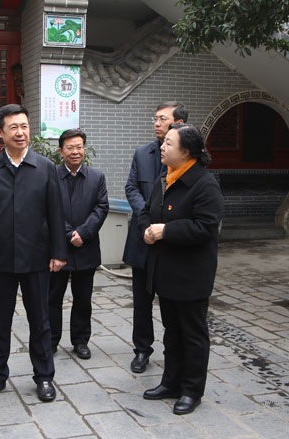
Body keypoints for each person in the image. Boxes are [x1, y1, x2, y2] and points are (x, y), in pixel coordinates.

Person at [0, 104, 67, 403]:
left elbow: (55, 212)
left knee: (40, 320)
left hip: (37, 257)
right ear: (0, 132)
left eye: (24, 126)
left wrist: (58, 252)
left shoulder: (45, 167)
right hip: (1, 258)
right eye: (13, 127)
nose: (21, 132)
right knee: (0, 320)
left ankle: (44, 376)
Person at [139, 123, 223, 415]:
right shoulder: (164, 179)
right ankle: (170, 382)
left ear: (186, 152)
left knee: (192, 335)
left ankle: (191, 390)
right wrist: (147, 229)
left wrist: (166, 231)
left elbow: (205, 227)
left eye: (169, 143)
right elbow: (147, 212)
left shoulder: (204, 184)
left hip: (191, 275)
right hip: (165, 272)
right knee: (171, 332)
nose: (162, 147)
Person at [123, 101, 187, 374]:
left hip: (171, 242)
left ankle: (176, 352)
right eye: (156, 118)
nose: (157, 123)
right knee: (141, 301)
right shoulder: (142, 153)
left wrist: (162, 224)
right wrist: (147, 218)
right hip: (143, 237)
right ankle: (142, 350)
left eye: (163, 119)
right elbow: (131, 188)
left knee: (172, 301)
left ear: (179, 124)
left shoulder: (187, 157)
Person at [48, 129, 109, 360]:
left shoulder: (96, 177)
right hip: (58, 248)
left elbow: (101, 207)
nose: (76, 152)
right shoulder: (50, 175)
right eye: (70, 148)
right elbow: (47, 208)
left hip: (86, 246)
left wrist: (83, 232)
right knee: (52, 298)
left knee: (83, 299)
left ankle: (81, 341)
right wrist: (67, 233)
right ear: (61, 151)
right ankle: (51, 340)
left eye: (79, 147)